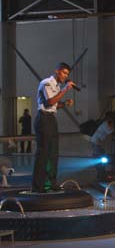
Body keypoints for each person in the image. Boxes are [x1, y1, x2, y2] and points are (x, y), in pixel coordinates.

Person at [31, 62, 75, 193]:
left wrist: (65, 103)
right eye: (64, 73)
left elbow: (54, 105)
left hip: (51, 118)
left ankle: (51, 183)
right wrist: (65, 89)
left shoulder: (57, 86)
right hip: (43, 118)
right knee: (43, 152)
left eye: (67, 74)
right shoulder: (47, 83)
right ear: (57, 71)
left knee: (53, 153)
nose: (65, 76)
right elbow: (49, 102)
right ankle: (38, 186)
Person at [90, 112, 114, 181]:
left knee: (101, 157)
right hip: (96, 142)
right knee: (100, 158)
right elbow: (110, 132)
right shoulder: (106, 124)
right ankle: (100, 176)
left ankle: (101, 174)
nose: (112, 119)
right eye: (111, 117)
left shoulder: (107, 123)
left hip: (98, 142)